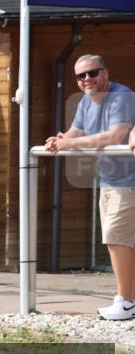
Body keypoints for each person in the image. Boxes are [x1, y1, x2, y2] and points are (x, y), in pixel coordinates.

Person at [49, 55, 135, 321]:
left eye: (92, 73)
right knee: (118, 241)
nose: (87, 79)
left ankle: (126, 302)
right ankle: (127, 300)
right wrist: (59, 139)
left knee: (116, 239)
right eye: (81, 76)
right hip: (110, 180)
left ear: (105, 73)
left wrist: (71, 144)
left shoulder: (121, 97)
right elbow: (75, 132)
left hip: (128, 182)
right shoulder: (87, 100)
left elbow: (114, 136)